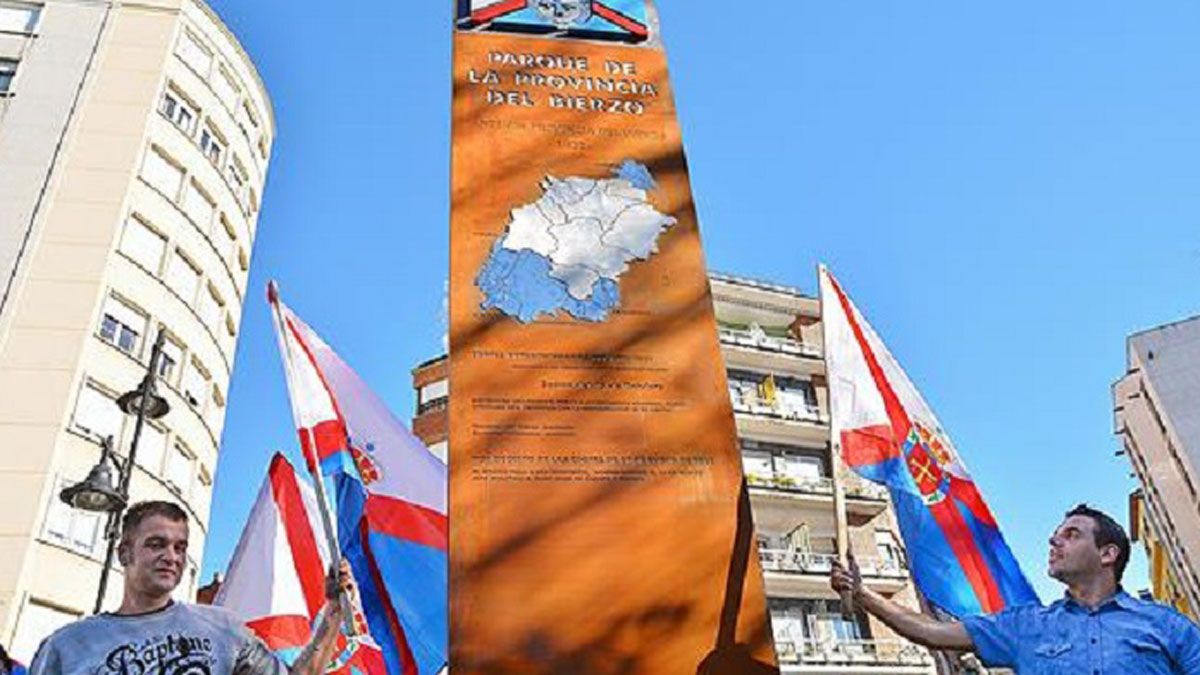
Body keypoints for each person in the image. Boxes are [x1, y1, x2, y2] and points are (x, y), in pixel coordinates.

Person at [831, 504, 1200, 673]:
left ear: (1108, 554)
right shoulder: (1024, 626)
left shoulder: (1168, 626)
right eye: (1054, 536)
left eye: (1071, 535)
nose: (1054, 542)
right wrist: (865, 595)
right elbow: (933, 632)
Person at [29, 501, 350, 675]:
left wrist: (333, 612)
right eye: (156, 544)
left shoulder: (222, 628)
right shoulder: (66, 647)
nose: (171, 557)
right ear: (124, 553)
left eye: (180, 548)